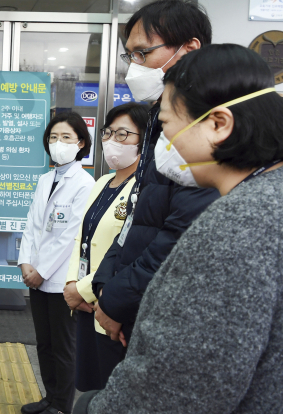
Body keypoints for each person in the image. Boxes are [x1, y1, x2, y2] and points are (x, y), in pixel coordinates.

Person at [73, 43, 283, 414]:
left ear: (219, 124)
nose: (161, 147)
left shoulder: (237, 226)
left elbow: (186, 385)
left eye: (166, 128)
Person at [90, 0, 219, 375]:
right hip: (132, 303)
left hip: (159, 311)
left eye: (142, 53)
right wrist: (105, 282)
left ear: (189, 49)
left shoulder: (203, 132)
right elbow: (139, 217)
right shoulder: (160, 123)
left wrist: (116, 299)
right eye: (129, 55)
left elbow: (180, 234)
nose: (134, 66)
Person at [17, 113, 95, 414]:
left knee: (63, 346)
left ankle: (63, 407)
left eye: (66, 137)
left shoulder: (84, 183)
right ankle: (50, 397)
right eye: (53, 137)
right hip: (36, 276)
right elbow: (33, 226)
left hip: (61, 278)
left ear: (80, 144)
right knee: (44, 342)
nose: (58, 144)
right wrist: (26, 263)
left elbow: (69, 236)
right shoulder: (45, 179)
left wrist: (42, 270)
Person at [64, 103, 149, 392]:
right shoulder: (101, 182)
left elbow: (126, 249)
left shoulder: (144, 188)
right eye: (108, 132)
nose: (112, 140)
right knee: (88, 386)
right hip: (84, 305)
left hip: (108, 304)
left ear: (144, 140)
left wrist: (83, 289)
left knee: (109, 389)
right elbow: (82, 238)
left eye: (123, 134)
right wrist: (71, 283)